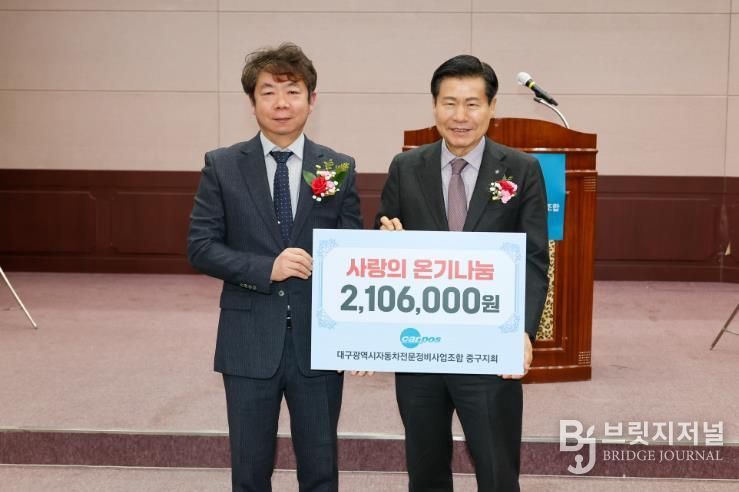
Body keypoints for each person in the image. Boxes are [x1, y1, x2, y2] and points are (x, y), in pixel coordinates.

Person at [187, 42, 363, 492]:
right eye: (268, 92)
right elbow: (201, 247)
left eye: (292, 91)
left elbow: (351, 257)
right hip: (247, 339)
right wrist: (268, 268)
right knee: (249, 471)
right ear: (252, 103)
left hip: (319, 342)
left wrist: (358, 337)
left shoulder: (338, 167)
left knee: (320, 470)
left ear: (312, 100)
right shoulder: (222, 166)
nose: (281, 103)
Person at [375, 54, 549, 491]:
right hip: (419, 347)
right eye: (449, 103)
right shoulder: (405, 167)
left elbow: (532, 259)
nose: (460, 116)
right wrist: (386, 240)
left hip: (489, 343)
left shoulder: (522, 169)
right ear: (434, 106)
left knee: (496, 468)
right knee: (425, 468)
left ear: (492, 108)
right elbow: (383, 246)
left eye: (472, 104)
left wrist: (523, 331)